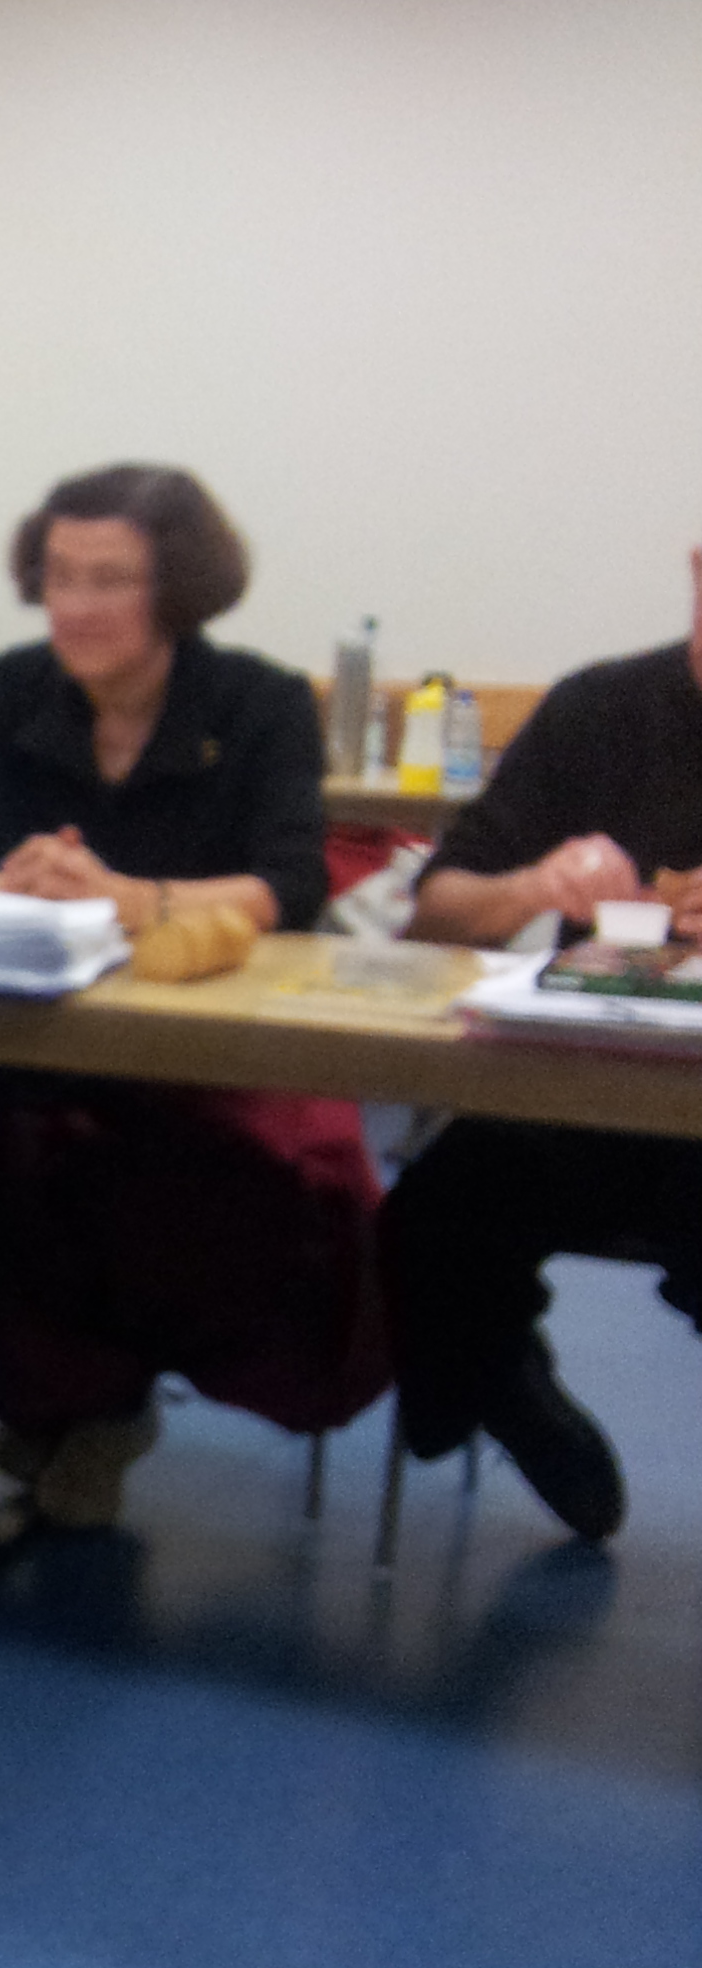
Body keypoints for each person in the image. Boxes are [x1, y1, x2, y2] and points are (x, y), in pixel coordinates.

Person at [0, 464, 386, 1528]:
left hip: (194, 1039)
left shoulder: (259, 704)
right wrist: (8, 885)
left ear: (178, 590)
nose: (75, 605)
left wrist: (128, 897)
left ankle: (94, 1398)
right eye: (60, 577)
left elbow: (289, 886)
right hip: (10, 1023)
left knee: (215, 1168)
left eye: (110, 580)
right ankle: (53, 1395)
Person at [379, 543, 702, 1542]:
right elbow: (435, 910)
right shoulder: (601, 710)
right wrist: (531, 888)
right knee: (429, 1222)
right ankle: (510, 1387)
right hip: (584, 1086)